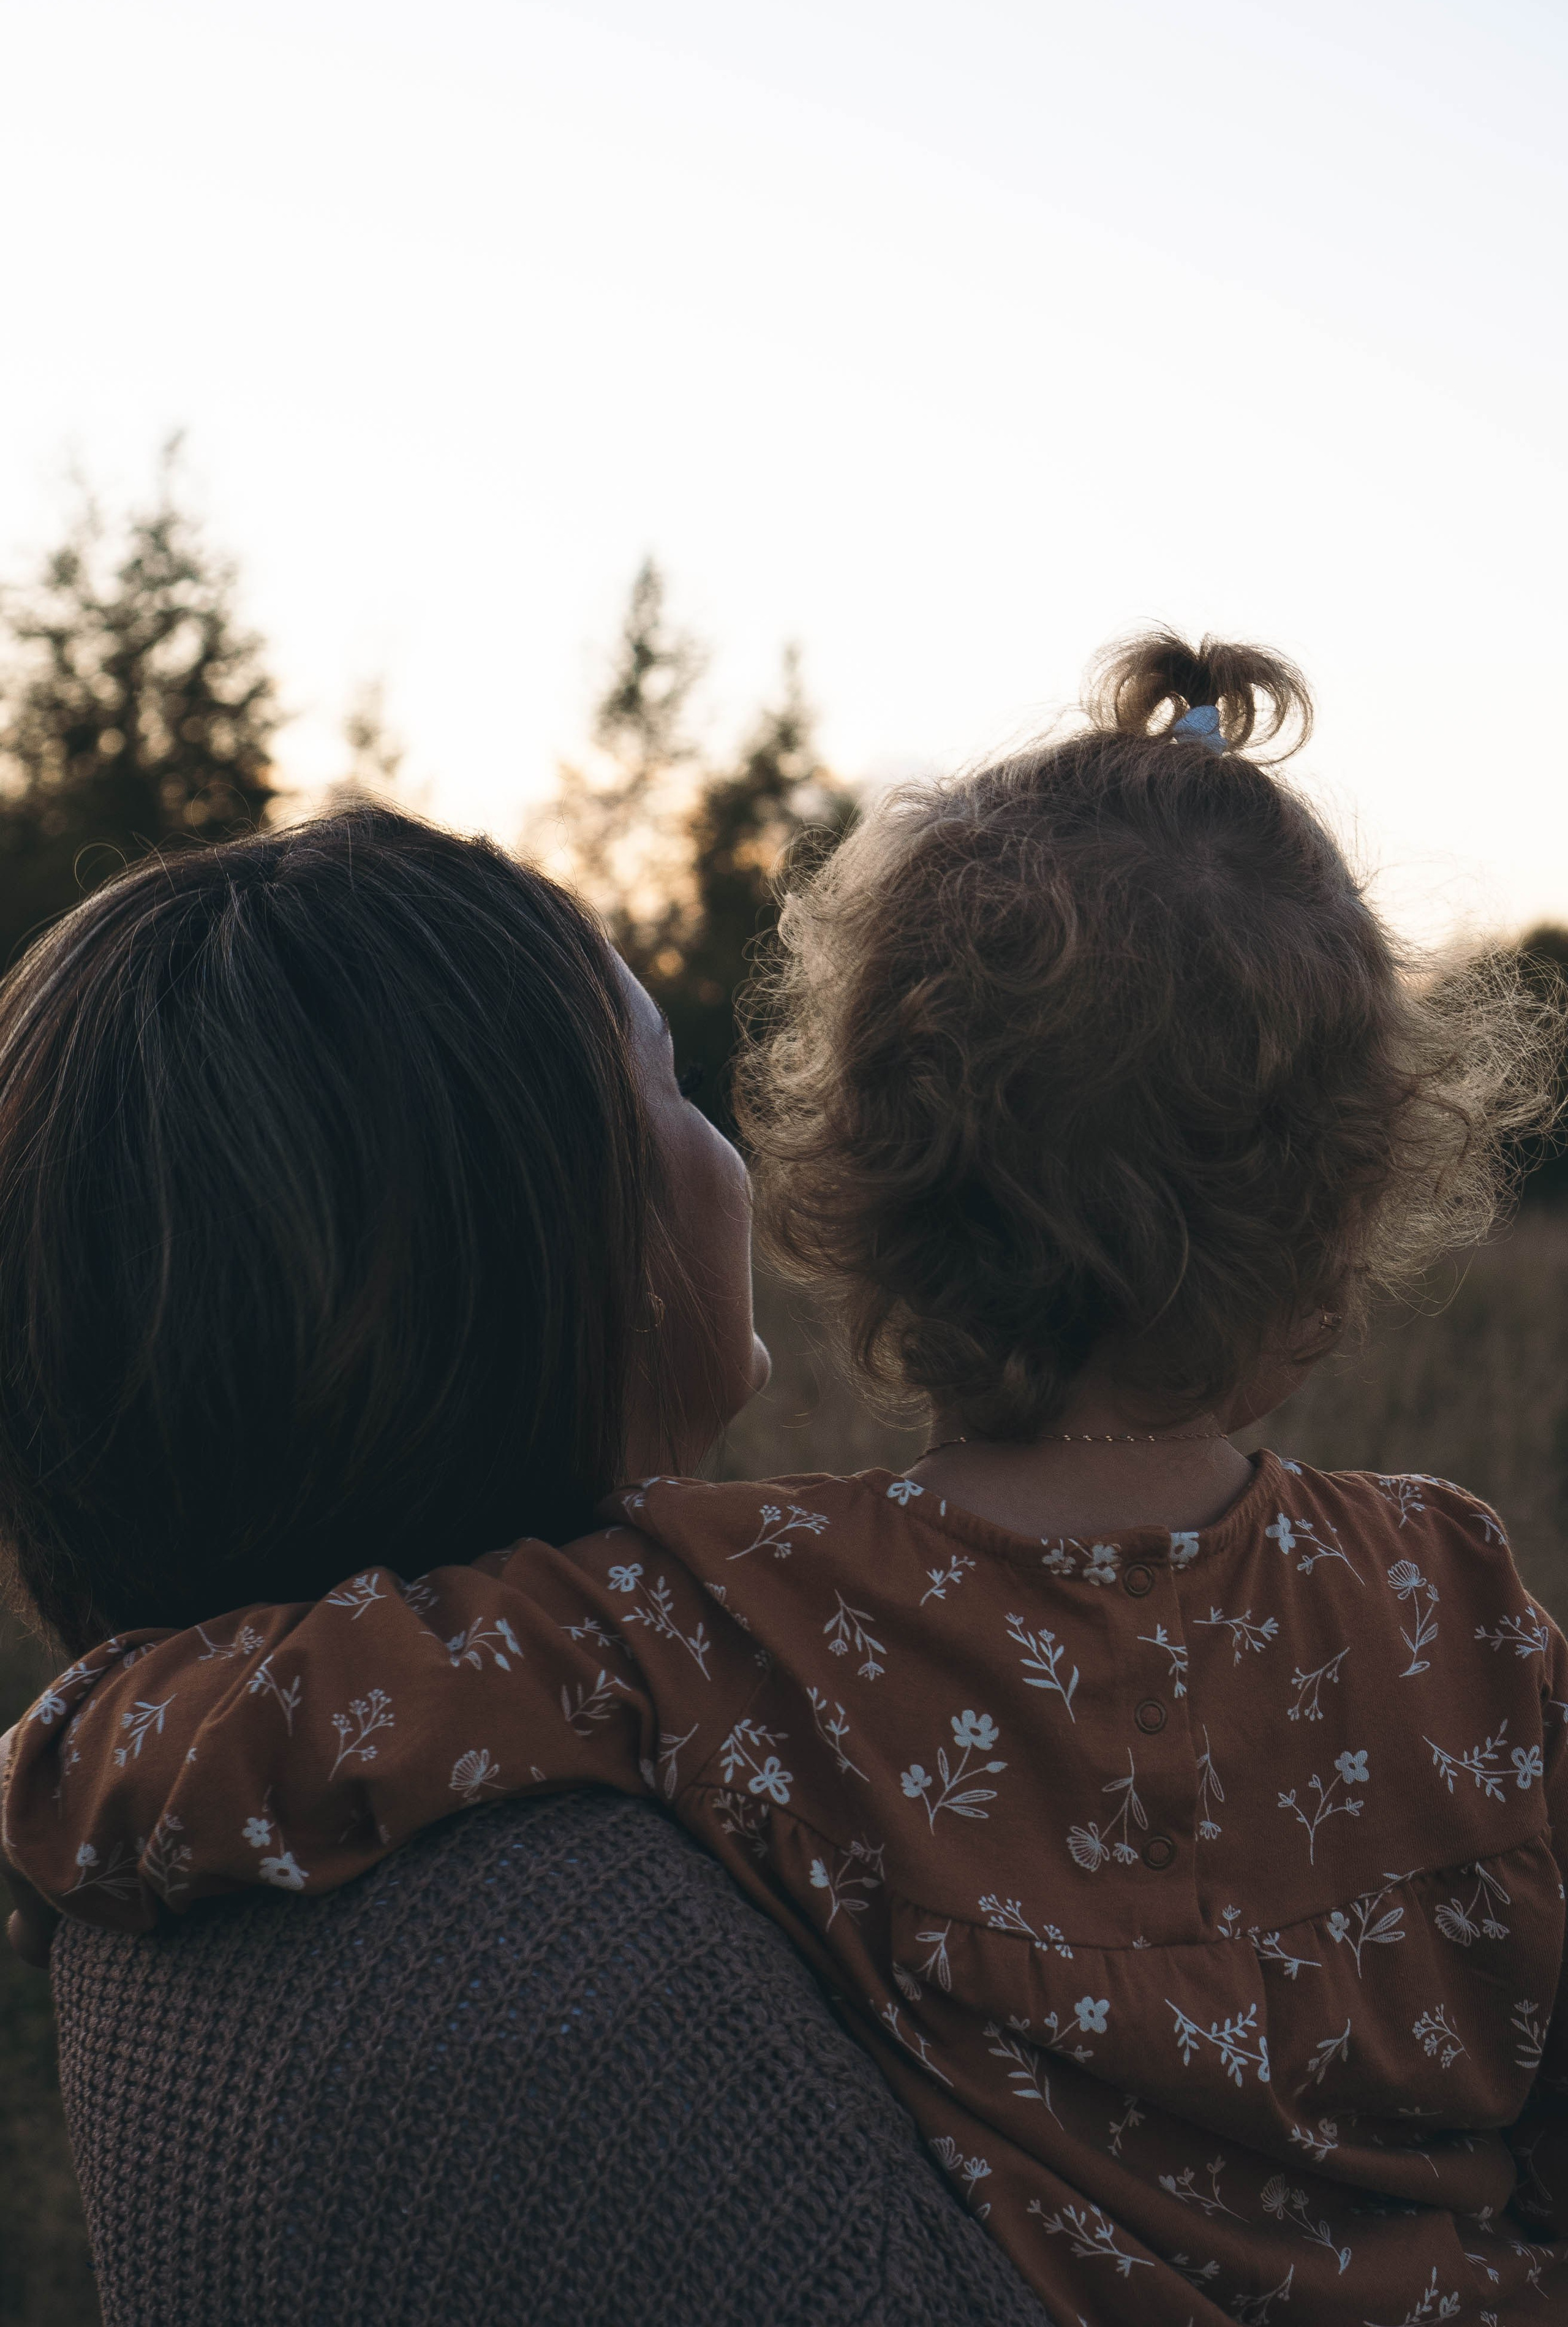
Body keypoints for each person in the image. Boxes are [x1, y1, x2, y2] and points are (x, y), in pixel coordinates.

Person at [7, 633, 1566, 2322]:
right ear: (1353, 1212)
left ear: (877, 1181)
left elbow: (252, 1724)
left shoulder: (718, 1625)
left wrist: (70, 1758)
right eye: (664, 1083)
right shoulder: (1453, 1590)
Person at [0, 808, 1051, 2327]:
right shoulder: (552, 1964)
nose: (728, 1147)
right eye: (667, 1085)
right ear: (555, 1244)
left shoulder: (197, 1796)